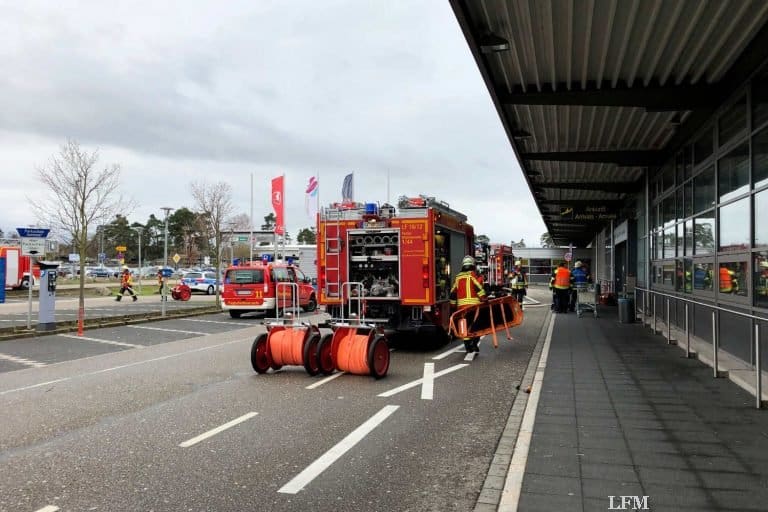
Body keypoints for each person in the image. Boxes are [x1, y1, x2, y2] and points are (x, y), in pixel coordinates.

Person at [450, 255, 487, 353]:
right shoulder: (472, 275)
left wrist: (453, 306)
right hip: (474, 306)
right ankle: (474, 344)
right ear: (472, 265)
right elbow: (478, 288)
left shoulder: (458, 278)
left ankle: (467, 346)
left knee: (464, 325)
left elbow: (452, 293)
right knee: (477, 325)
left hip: (462, 307)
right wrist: (484, 298)